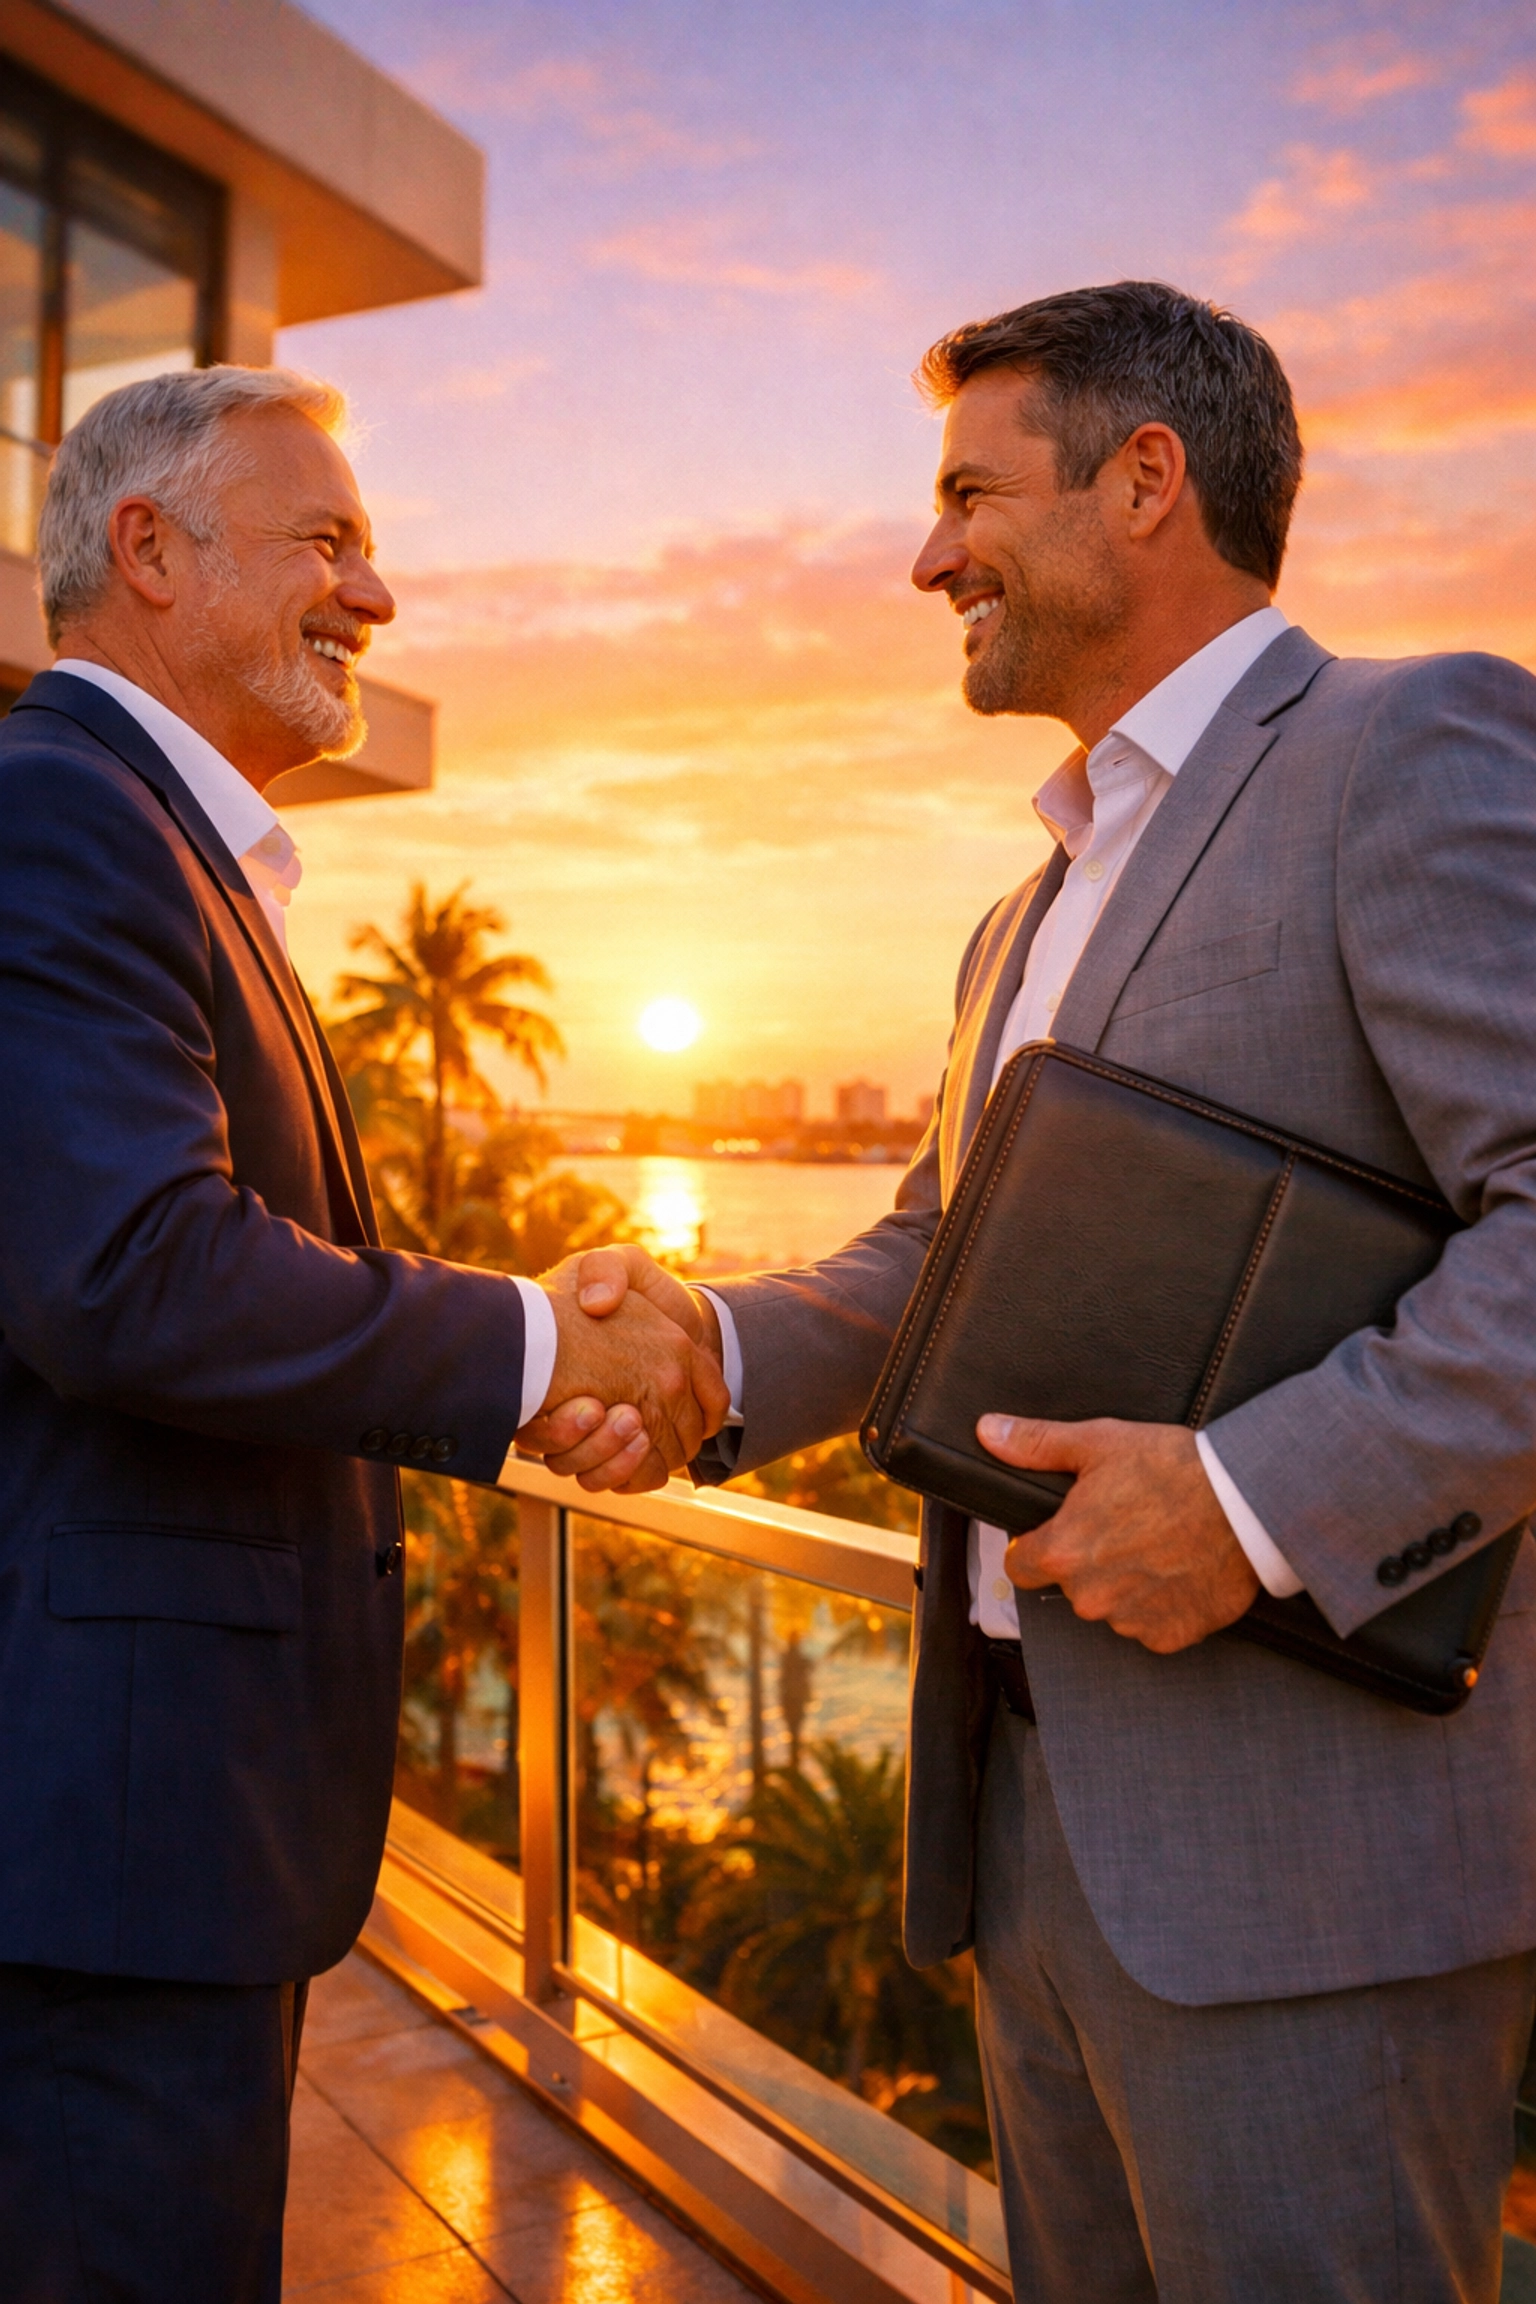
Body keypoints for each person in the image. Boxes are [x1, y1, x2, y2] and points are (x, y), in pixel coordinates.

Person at [530, 282, 1536, 2301]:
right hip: (1026, 1837)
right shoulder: (1022, 910)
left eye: (969, 495)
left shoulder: (1404, 744)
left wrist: (1245, 1506)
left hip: (1306, 1882)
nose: (929, 558)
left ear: (1145, 481)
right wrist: (708, 1347)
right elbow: (939, 1255)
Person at [0, 363, 726, 2302]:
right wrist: (543, 1350)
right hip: (100, 1850)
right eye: (328, 543)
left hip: (135, 1840)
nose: (376, 597)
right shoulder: (62, 818)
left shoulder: (147, 837)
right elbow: (136, 1272)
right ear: (150, 551)